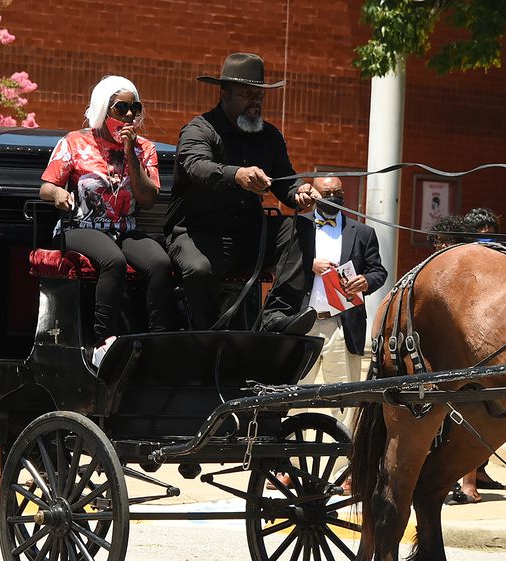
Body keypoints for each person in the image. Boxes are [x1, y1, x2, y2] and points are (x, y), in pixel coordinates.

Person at [165, 52, 317, 334]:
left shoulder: (270, 136)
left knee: (301, 229)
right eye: (248, 95)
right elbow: (197, 166)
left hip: (247, 235)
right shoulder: (198, 129)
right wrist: (237, 174)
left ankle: (276, 315)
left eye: (259, 95)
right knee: (198, 271)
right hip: (198, 234)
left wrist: (299, 193)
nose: (255, 102)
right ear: (224, 95)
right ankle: (208, 338)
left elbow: (285, 181)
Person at [40, 75, 175, 367]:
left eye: (134, 109)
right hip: (79, 226)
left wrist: (130, 154)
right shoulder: (75, 142)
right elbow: (46, 186)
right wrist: (59, 193)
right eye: (121, 108)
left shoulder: (144, 149)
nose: (129, 115)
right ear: (103, 108)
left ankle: (159, 340)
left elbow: (148, 198)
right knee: (111, 261)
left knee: (159, 263)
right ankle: (102, 343)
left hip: (123, 227)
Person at [294, 176, 387, 420]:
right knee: (295, 393)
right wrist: (308, 264)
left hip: (342, 324)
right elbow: (276, 266)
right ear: (313, 194)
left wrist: (366, 281)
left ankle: (345, 454)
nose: (333, 197)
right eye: (326, 193)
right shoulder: (297, 226)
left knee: (344, 398)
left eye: (338, 192)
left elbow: (378, 271)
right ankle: (288, 455)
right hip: (302, 323)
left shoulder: (363, 232)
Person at [431, 210, 505, 505]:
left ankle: (469, 481)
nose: (442, 248)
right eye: (438, 243)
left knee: (471, 417)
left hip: (472, 355)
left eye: (447, 242)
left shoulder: (484, 268)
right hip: (440, 357)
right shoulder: (432, 270)